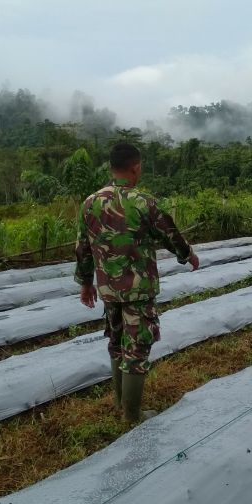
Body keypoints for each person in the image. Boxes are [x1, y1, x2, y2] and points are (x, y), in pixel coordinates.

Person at [75, 142, 199, 422]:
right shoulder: (143, 203)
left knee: (116, 342)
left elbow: (82, 248)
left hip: (108, 290)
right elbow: (171, 235)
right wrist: (188, 255)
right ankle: (132, 415)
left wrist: (86, 284)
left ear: (111, 167)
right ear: (136, 167)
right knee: (137, 347)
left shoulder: (90, 203)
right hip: (137, 292)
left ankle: (121, 404)